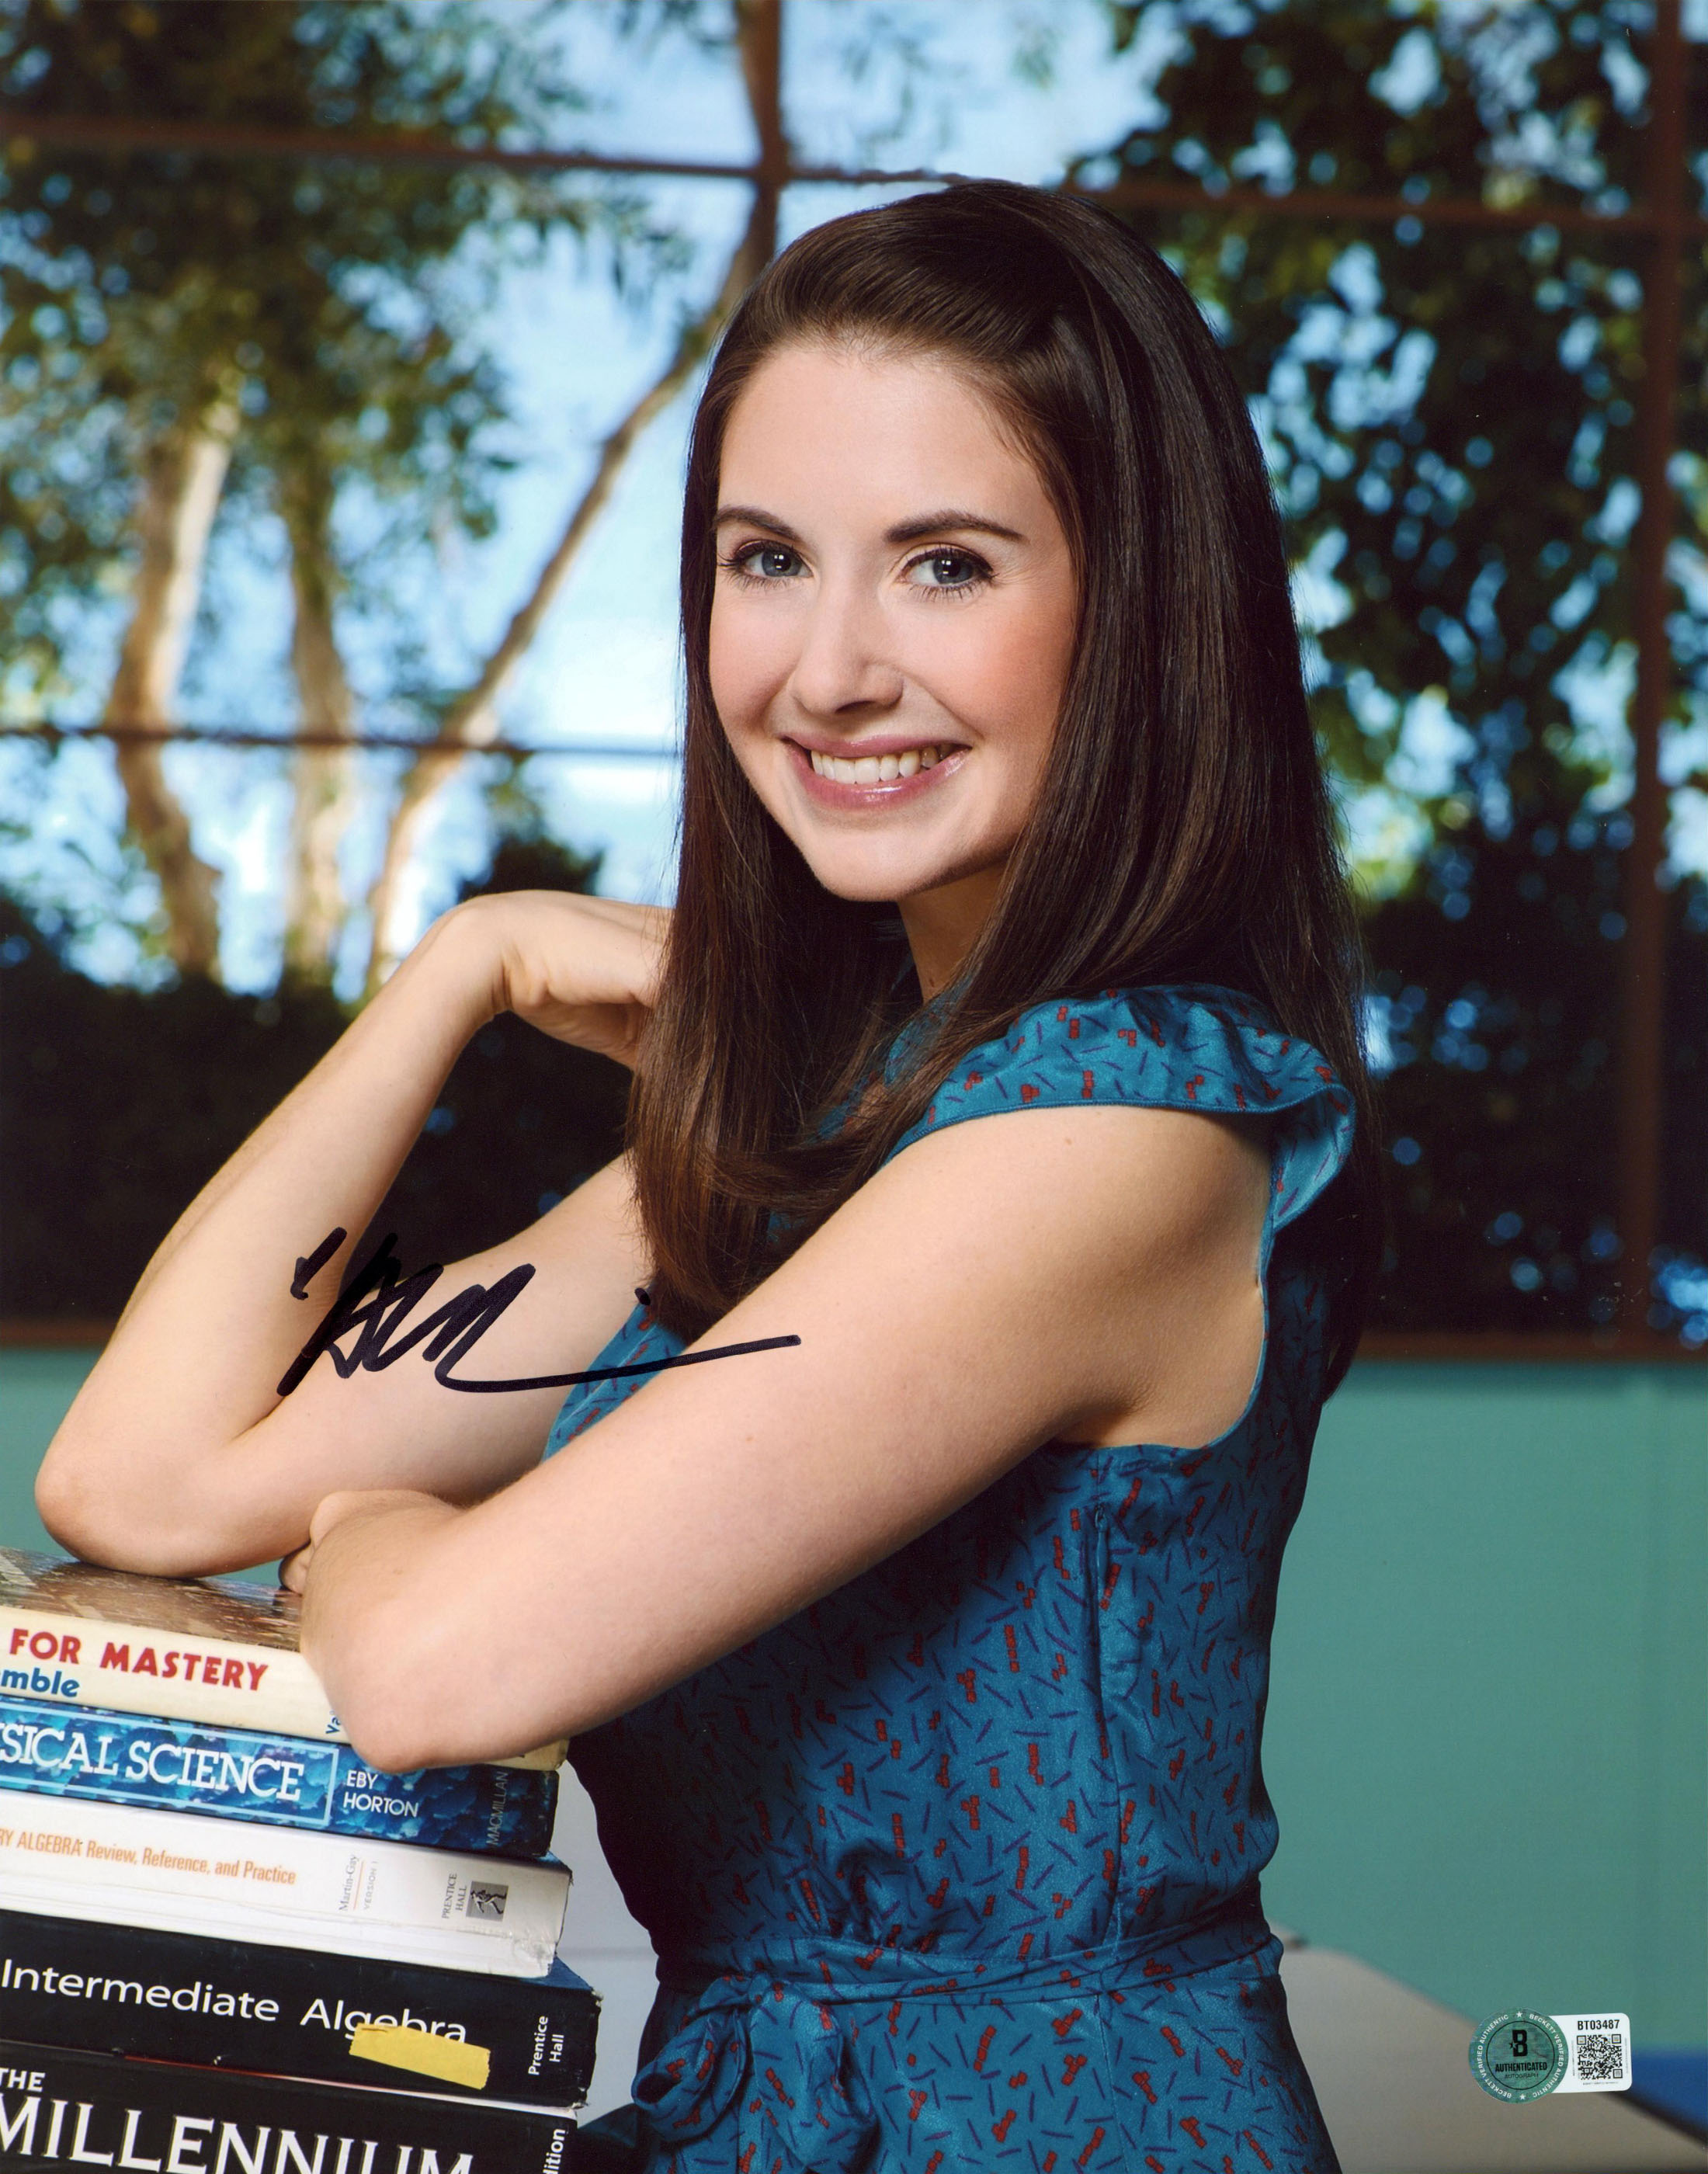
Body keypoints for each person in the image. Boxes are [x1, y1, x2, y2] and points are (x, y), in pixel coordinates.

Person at [39, 182, 1378, 2173]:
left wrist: (377, 1533)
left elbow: (440, 1662)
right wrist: (459, 968)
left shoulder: (1118, 1131)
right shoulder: (827, 1132)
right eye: (767, 560)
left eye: (943, 563)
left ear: (1138, 610)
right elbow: (137, 1483)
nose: (827, 670)